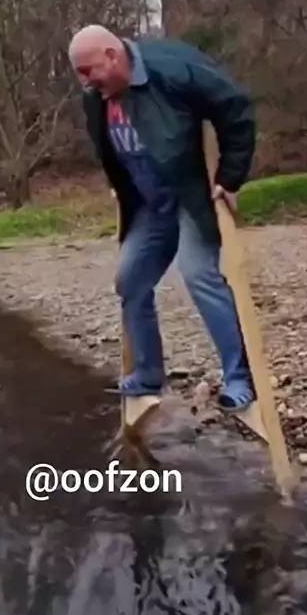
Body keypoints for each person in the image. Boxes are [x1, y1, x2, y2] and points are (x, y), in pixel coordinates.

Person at [67, 24, 256, 412]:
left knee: (198, 273)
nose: (85, 83)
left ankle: (239, 377)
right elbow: (109, 150)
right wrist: (122, 187)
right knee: (130, 280)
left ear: (111, 56)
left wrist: (230, 176)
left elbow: (235, 107)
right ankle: (149, 374)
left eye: (88, 71)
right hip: (150, 206)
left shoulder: (171, 68)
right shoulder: (95, 99)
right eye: (80, 75)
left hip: (190, 196)